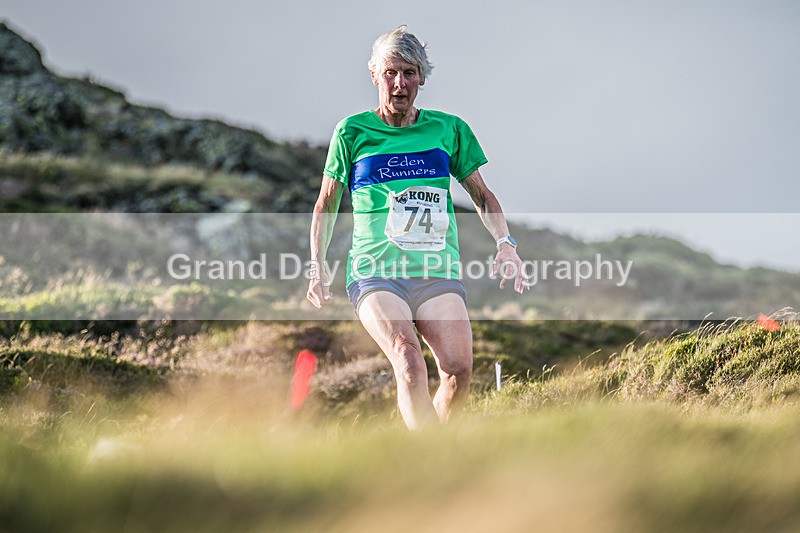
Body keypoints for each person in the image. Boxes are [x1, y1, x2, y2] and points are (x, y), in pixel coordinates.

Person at [307, 26, 525, 429]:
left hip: (435, 271)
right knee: (407, 358)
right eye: (390, 72)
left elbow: (481, 194)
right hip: (375, 273)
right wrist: (317, 264)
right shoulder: (352, 132)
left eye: (409, 72)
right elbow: (328, 202)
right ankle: (428, 457)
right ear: (374, 75)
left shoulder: (449, 129)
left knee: (458, 372)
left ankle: (435, 450)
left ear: (422, 78)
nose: (399, 83)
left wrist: (505, 244)